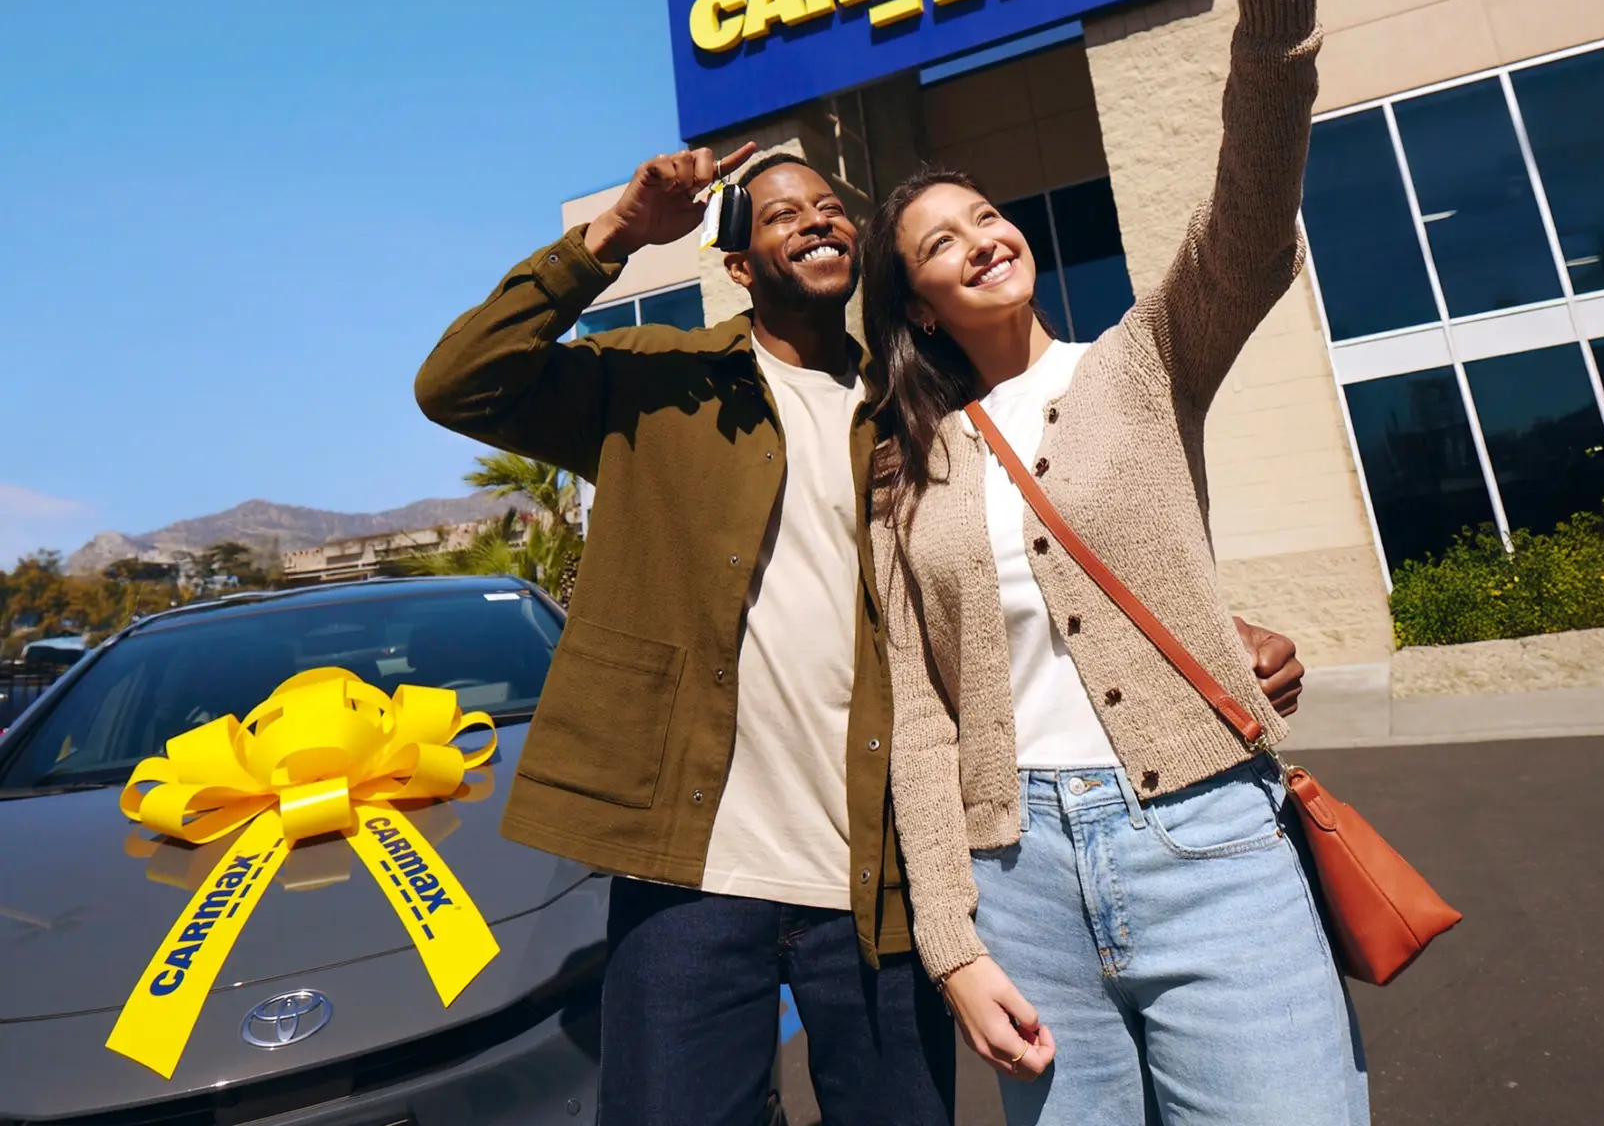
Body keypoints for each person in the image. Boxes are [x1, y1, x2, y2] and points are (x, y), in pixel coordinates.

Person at [414, 74, 1309, 1122]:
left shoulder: (912, 418)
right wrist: (615, 232)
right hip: (695, 869)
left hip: (875, 875)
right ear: (739, 264)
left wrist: (1205, 634)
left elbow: (1013, 577)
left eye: (831, 207)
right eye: (781, 213)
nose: (816, 219)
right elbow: (460, 383)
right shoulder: (654, 383)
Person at [860, 0, 1368, 1126]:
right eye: (939, 244)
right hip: (1014, 873)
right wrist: (954, 944)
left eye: (985, 217)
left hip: (1210, 839)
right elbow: (922, 714)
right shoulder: (900, 469)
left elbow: (1249, 210)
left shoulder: (1140, 361)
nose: (979, 240)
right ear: (915, 302)